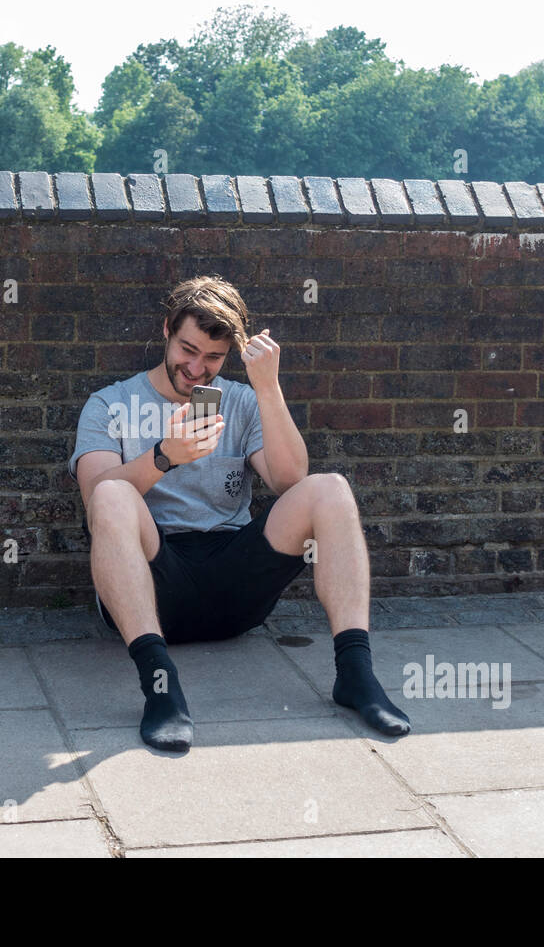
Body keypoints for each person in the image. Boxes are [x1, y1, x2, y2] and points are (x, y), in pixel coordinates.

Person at [67, 276, 411, 752]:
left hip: (235, 584)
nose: (196, 368)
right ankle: (160, 684)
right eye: (187, 349)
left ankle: (355, 672)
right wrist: (165, 456)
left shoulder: (242, 401)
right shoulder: (111, 404)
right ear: (166, 330)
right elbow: (95, 496)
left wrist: (267, 389)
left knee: (330, 489)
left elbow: (291, 482)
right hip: (156, 578)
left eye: (212, 358)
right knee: (112, 495)